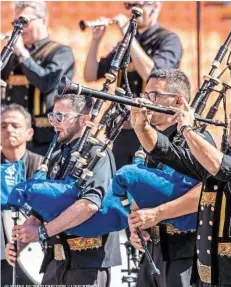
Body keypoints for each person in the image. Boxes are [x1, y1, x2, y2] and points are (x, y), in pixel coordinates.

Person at [131, 86, 231, 286]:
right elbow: (169, 153)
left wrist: (187, 129)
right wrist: (142, 127)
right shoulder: (227, 159)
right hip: (209, 278)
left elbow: (226, 168)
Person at [4, 93, 121, 286]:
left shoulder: (98, 154)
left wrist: (42, 233)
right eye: (52, 116)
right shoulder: (57, 158)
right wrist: (21, 242)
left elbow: (89, 205)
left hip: (87, 263)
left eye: (61, 117)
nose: (54, 123)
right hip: (56, 261)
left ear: (84, 119)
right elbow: (40, 212)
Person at [125, 69, 215, 287]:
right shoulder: (149, 140)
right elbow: (144, 186)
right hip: (152, 251)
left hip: (185, 252)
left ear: (176, 101)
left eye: (154, 95)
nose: (147, 101)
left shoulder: (197, 139)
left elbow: (207, 191)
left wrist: (157, 214)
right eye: (146, 95)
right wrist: (135, 224)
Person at [84, 1, 183, 169]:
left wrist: (129, 36)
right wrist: (95, 41)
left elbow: (152, 74)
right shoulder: (126, 43)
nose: (131, 11)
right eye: (128, 6)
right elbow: (90, 75)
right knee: (118, 185)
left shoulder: (168, 40)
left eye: (137, 5)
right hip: (122, 129)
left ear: (155, 6)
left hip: (151, 129)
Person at [0, 1, 75, 155]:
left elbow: (47, 82)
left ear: (43, 20)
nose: (19, 28)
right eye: (16, 23)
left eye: (24, 22)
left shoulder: (60, 52)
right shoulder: (12, 54)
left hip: (45, 141)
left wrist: (22, 53)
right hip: (14, 141)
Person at [1, 104, 43, 285]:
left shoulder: (43, 165)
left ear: (29, 133)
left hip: (37, 255)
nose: (9, 130)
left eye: (15, 125)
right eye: (3, 126)